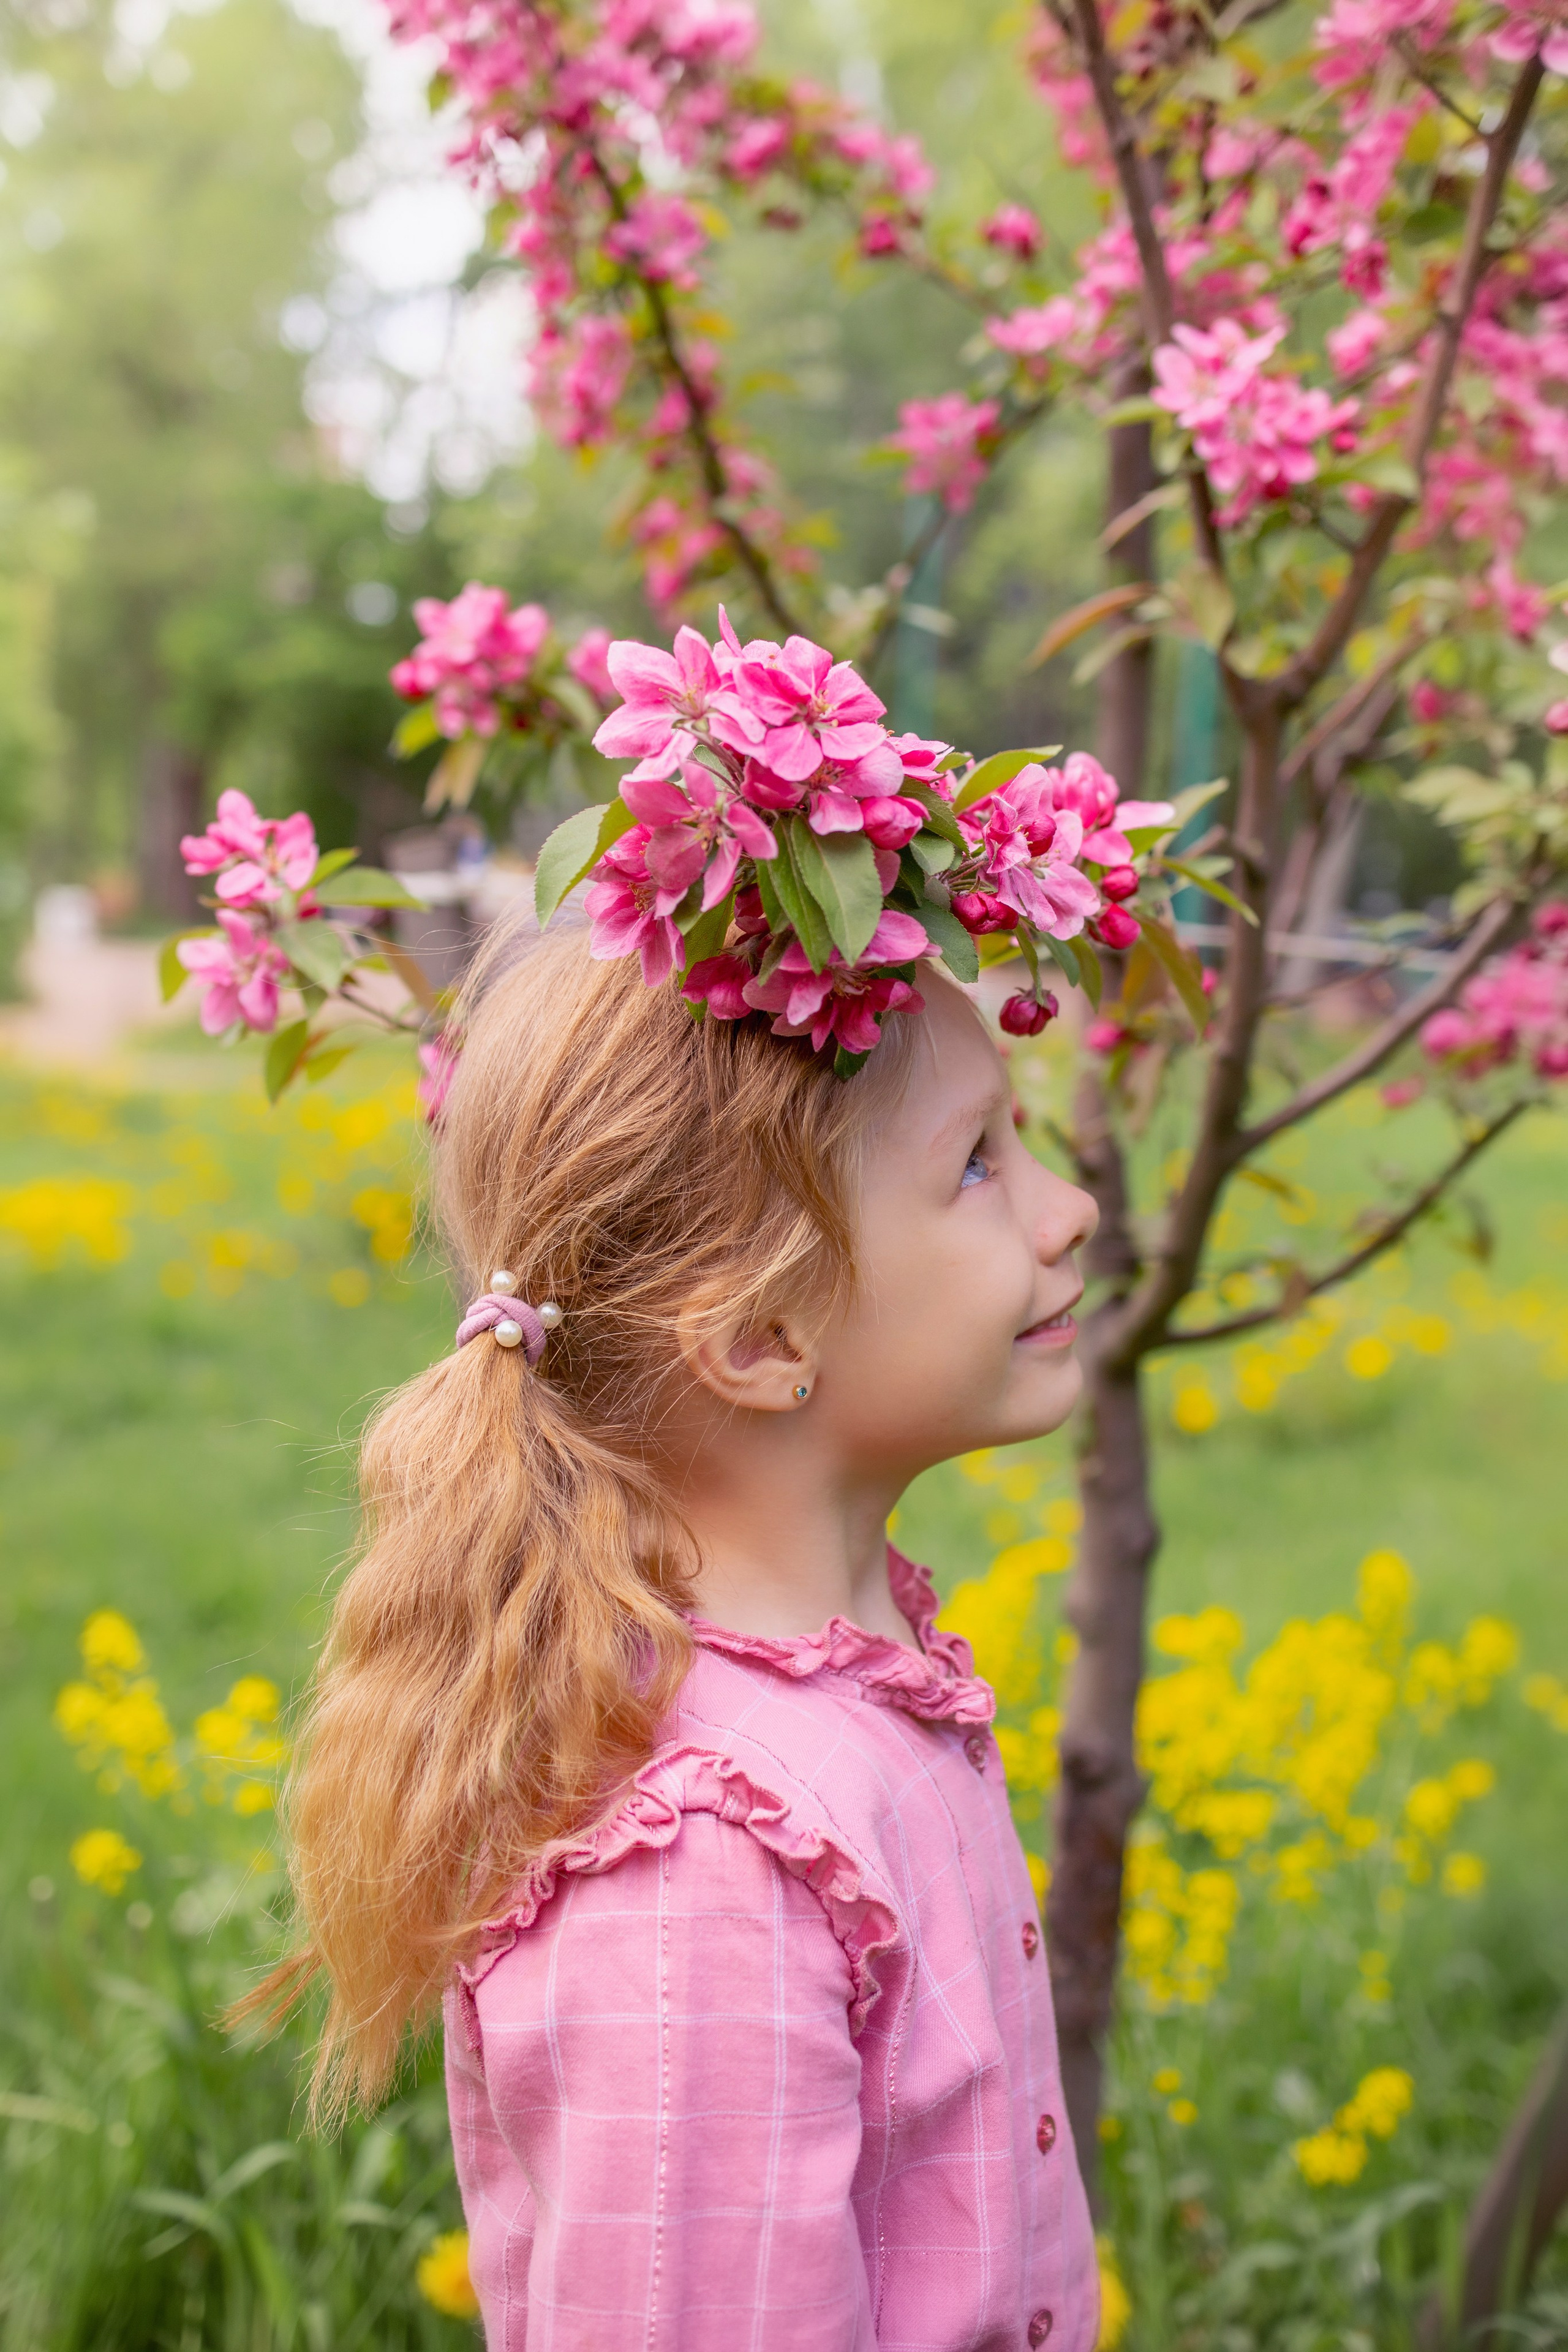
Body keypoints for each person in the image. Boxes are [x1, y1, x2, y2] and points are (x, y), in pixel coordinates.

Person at [271, 916, 1101, 2350]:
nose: (1068, 1207)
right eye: (975, 1162)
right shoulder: (706, 1865)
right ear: (763, 1334)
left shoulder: (841, 1703)